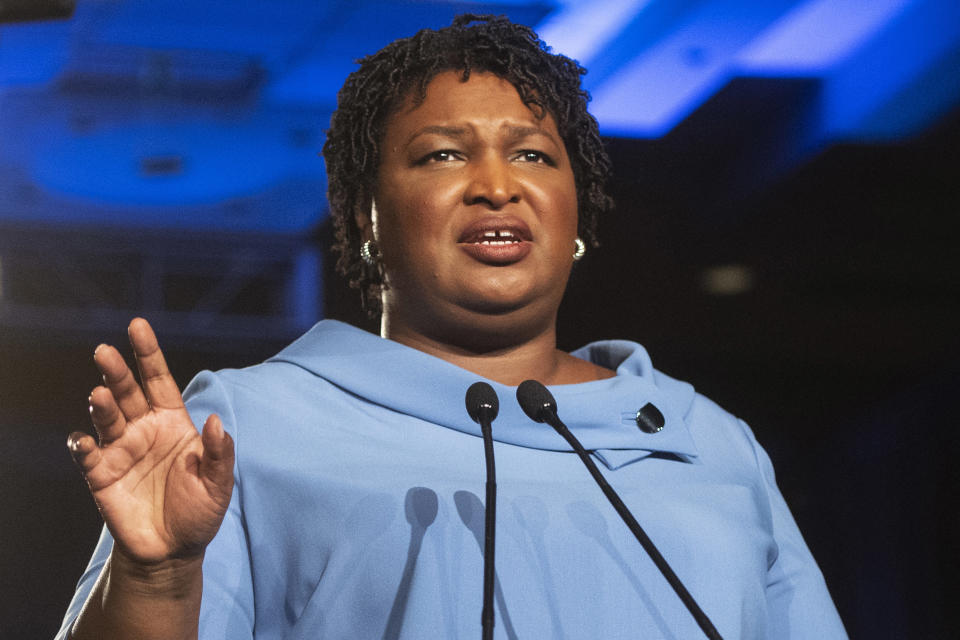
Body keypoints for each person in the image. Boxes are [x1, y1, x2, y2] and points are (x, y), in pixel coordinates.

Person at [57, 15, 847, 640]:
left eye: (535, 156)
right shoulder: (240, 430)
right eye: (441, 156)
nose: (497, 186)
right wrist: (156, 581)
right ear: (366, 216)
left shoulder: (708, 438)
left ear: (578, 211)